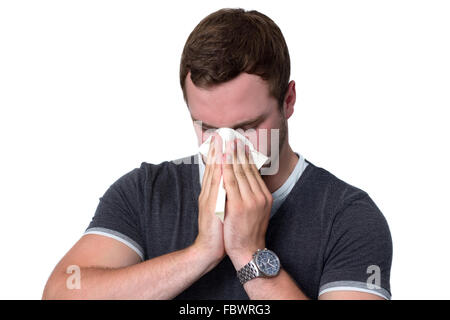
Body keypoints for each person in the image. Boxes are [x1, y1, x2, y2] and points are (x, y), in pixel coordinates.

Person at [42, 8, 392, 300]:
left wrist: (249, 255)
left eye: (246, 128)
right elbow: (62, 291)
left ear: (288, 101)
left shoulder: (347, 216)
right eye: (207, 128)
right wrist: (201, 253)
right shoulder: (146, 191)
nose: (226, 147)